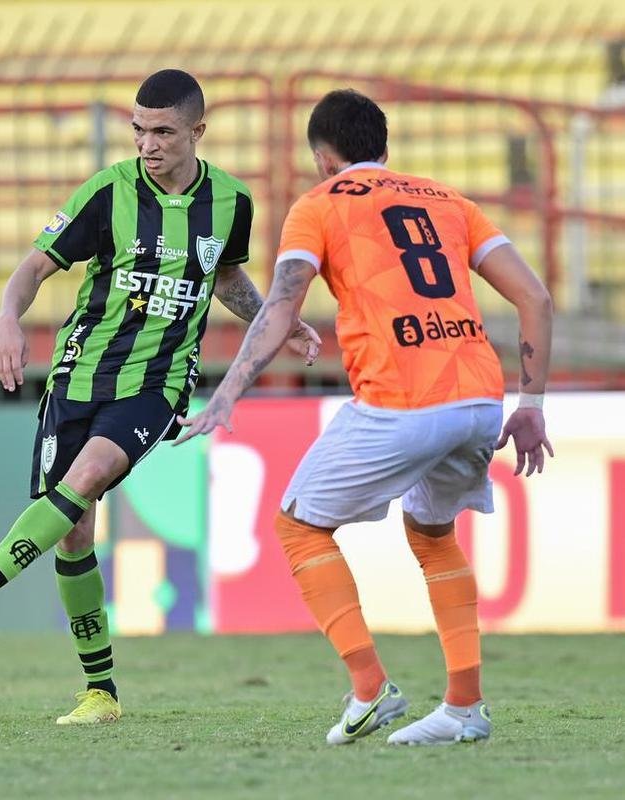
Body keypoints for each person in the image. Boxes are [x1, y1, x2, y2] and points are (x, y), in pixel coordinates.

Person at [0, 69, 321, 725]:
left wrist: (277, 318)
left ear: (197, 130)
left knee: (91, 473)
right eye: (138, 130)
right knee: (74, 532)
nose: (147, 143)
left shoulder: (230, 202)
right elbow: (34, 268)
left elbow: (223, 278)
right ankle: (99, 693)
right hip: (78, 377)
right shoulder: (106, 193)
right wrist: (5, 318)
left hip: (158, 382)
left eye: (162, 131)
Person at [175, 88, 554, 745]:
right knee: (433, 534)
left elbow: (281, 307)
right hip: (478, 397)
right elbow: (535, 297)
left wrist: (227, 391)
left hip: (401, 400)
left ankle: (370, 687)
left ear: (324, 160)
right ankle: (463, 708)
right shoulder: (447, 201)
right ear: (383, 148)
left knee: (298, 527)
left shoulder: (317, 206)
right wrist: (532, 403)